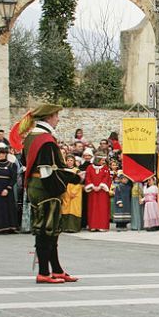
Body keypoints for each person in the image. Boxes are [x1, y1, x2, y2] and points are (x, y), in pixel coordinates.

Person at [20, 104, 82, 283]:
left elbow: (26, 163)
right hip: (45, 190)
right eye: (56, 116)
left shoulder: (31, 137)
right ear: (48, 118)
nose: (58, 119)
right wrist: (65, 184)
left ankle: (56, 269)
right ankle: (43, 272)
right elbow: (47, 171)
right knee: (46, 231)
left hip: (35, 187)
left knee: (51, 230)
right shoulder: (46, 140)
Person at [84, 155, 112, 231]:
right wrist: (92, 186)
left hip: (102, 191)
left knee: (102, 208)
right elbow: (87, 177)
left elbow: (107, 178)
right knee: (93, 208)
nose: (103, 162)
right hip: (92, 191)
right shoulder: (89, 167)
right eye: (102, 160)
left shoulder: (105, 168)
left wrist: (100, 186)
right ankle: (93, 225)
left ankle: (102, 226)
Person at [60, 155, 84, 233]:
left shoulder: (77, 171)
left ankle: (74, 227)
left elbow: (79, 182)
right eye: (68, 160)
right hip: (66, 192)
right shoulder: (63, 170)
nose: (69, 162)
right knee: (65, 209)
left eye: (71, 160)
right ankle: (65, 227)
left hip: (75, 193)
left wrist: (74, 192)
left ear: (74, 162)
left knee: (74, 209)